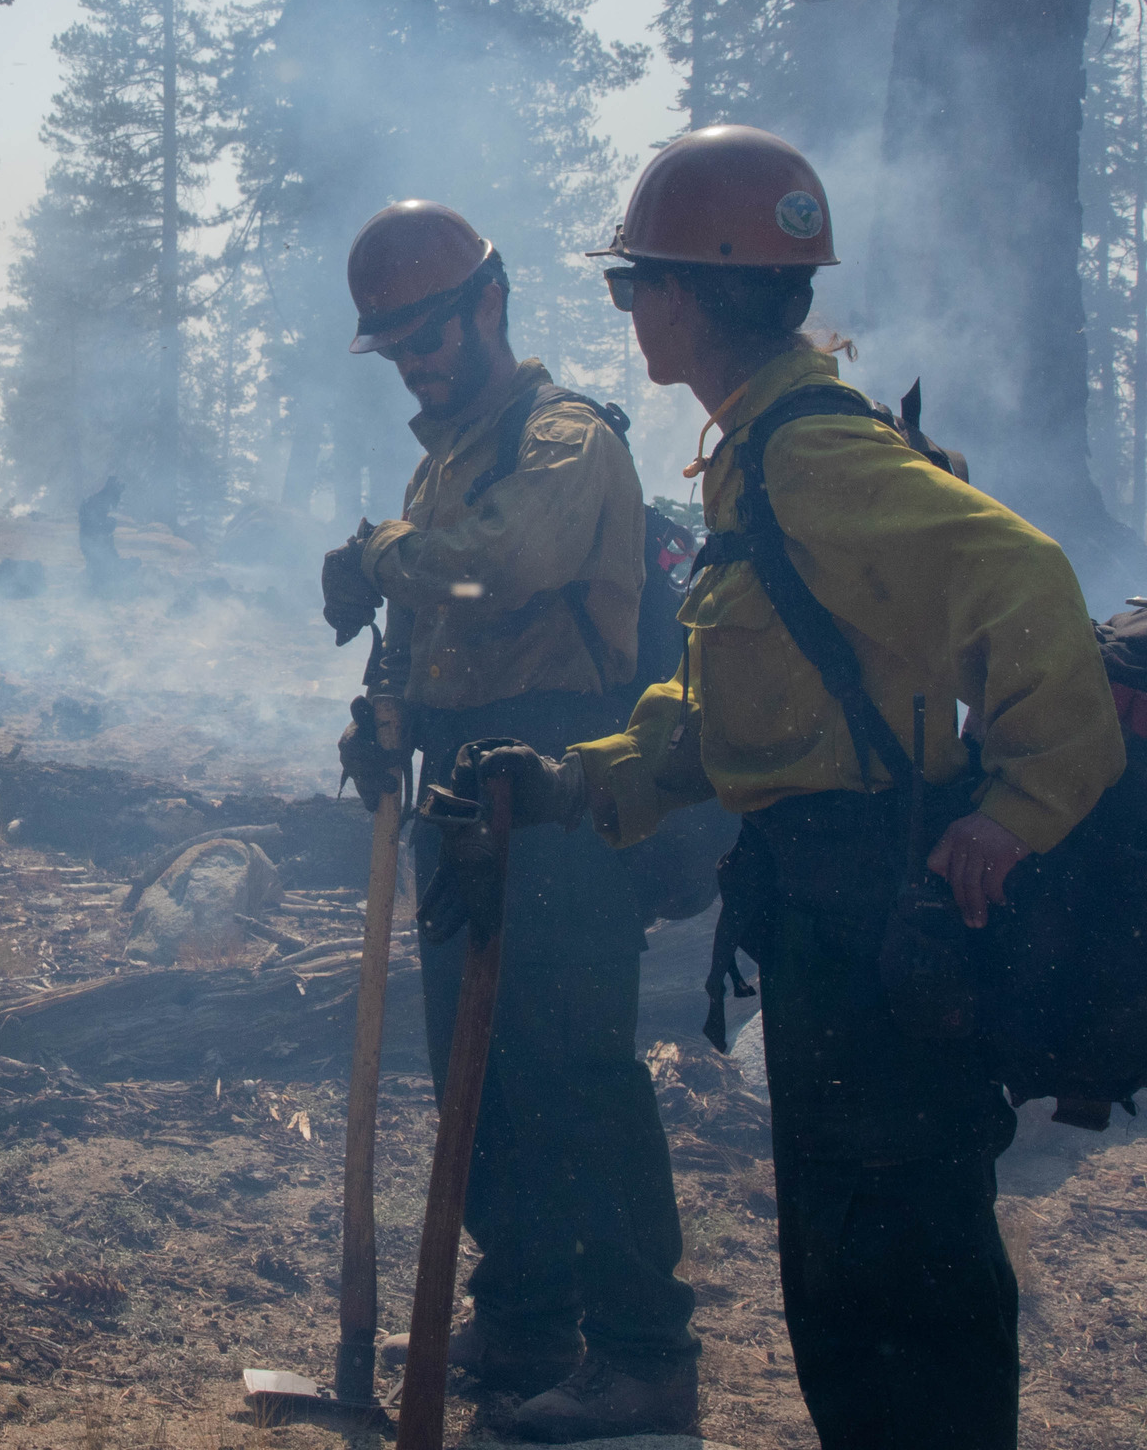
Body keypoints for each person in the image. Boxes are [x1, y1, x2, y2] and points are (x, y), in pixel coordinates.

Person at [486, 125, 1127, 1449]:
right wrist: (580, 781)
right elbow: (748, 712)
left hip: (882, 919)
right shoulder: (756, 449)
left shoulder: (811, 458)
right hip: (830, 922)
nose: (624, 312)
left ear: (686, 295)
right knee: (847, 1271)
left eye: (630, 285)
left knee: (898, 1274)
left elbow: (1029, 582)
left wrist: (1014, 813)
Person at [323, 202, 700, 1441]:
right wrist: (382, 716)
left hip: (562, 791)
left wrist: (380, 552)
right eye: (397, 349)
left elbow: (499, 569)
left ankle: (645, 1355)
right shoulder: (448, 457)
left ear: (490, 303)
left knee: (576, 1074)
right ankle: (528, 1317)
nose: (418, 364)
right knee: (476, 1084)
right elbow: (437, 625)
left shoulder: (563, 437)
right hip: (455, 791)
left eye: (429, 334)